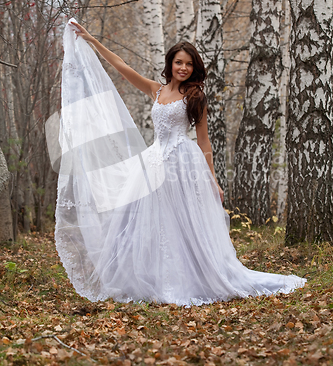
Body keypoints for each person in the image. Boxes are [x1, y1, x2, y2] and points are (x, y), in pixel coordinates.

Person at [53, 18, 306, 307]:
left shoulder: (195, 95)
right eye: (178, 63)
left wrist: (212, 179)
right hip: (153, 162)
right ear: (170, 64)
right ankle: (150, 277)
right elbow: (122, 67)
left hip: (182, 164)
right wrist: (92, 41)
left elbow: (204, 141)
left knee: (182, 223)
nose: (183, 68)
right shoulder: (156, 90)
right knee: (144, 222)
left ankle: (188, 278)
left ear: (193, 68)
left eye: (188, 64)